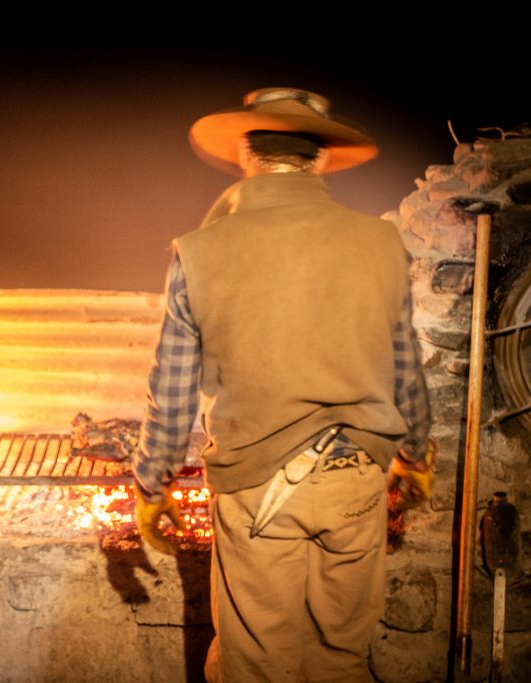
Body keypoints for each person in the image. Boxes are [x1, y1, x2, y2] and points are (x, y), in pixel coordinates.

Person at [132, 88, 434, 682]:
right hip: (358, 483)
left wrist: (151, 482)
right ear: (321, 159)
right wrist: (415, 456)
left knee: (256, 667)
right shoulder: (382, 244)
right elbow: (406, 368)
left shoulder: (198, 251)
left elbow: (171, 392)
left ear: (247, 155)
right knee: (340, 660)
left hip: (257, 488)